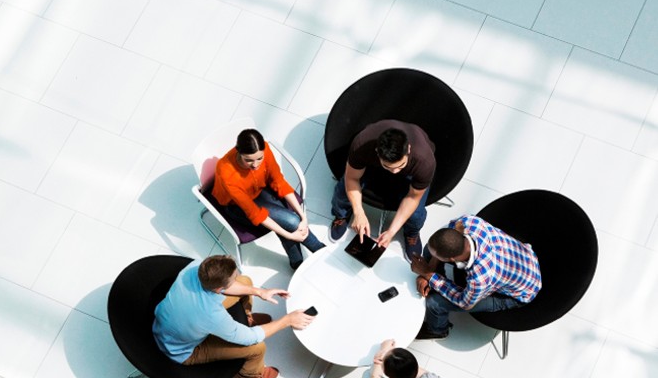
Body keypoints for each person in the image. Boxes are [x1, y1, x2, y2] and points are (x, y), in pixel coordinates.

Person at [152, 255, 315, 378]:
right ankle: (250, 375)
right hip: (182, 351)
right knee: (257, 347)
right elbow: (250, 338)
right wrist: (287, 320)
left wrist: (258, 292)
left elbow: (231, 286)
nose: (237, 276)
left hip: (174, 320)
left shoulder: (195, 267)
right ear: (219, 289)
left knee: (246, 282)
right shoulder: (212, 315)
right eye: (232, 279)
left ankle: (247, 320)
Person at [410, 215, 542, 339]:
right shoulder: (469, 222)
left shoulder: (480, 278)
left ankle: (437, 331)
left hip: (517, 294)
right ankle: (436, 282)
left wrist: (429, 274)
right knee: (430, 249)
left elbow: (464, 302)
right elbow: (445, 239)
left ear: (451, 259)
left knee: (434, 303)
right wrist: (428, 272)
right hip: (524, 258)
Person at [213, 128, 325, 270]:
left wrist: (303, 216)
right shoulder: (227, 172)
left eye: (259, 158)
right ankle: (319, 250)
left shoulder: (265, 148)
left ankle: (298, 263)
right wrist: (290, 236)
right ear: (238, 152)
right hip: (236, 205)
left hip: (258, 190)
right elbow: (255, 213)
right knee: (291, 221)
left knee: (292, 220)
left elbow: (279, 182)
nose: (255, 165)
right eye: (248, 160)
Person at [329, 120, 435, 261]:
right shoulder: (361, 145)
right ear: (377, 152)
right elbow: (352, 179)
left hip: (410, 173)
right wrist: (359, 212)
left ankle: (412, 233)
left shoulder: (424, 161)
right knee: (343, 190)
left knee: (416, 214)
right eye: (389, 167)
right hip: (372, 166)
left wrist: (391, 232)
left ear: (408, 149)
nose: (395, 172)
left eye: (400, 165)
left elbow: (413, 198)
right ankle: (341, 215)